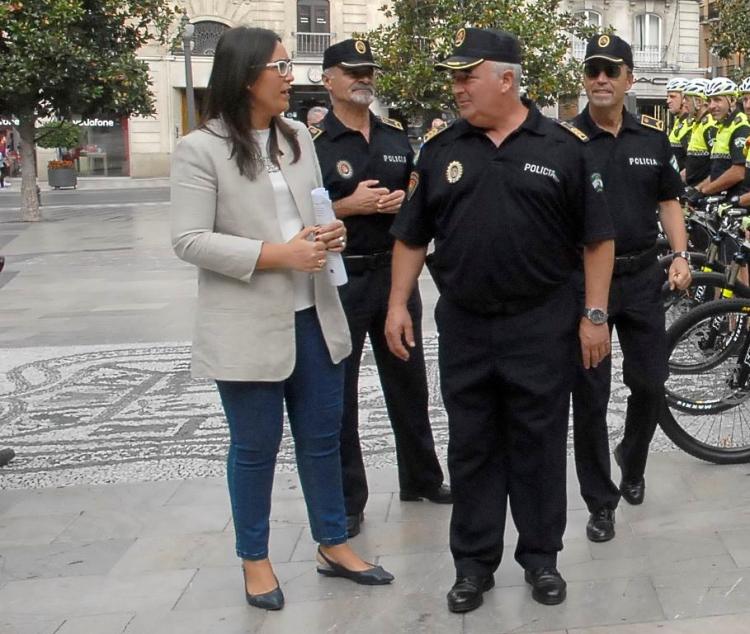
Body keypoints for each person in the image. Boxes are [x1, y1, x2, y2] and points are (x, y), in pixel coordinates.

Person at [385, 27, 615, 613]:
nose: (457, 88)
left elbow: (598, 240)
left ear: (507, 80)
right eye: (454, 77)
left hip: (542, 325)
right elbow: (412, 236)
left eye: (468, 76)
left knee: (539, 444)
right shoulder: (440, 151)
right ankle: (473, 565)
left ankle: (541, 560)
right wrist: (396, 303)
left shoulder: (563, 148)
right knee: (472, 446)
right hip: (465, 325)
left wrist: (594, 315)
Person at [170, 26, 394, 612]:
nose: (289, 77)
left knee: (322, 440)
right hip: (246, 324)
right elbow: (189, 240)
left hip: (315, 314)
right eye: (280, 67)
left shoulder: (296, 136)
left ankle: (333, 544)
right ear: (248, 76)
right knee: (255, 447)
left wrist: (332, 232)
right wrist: (277, 255)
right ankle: (255, 559)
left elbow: (314, 209)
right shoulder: (201, 148)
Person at [311, 39, 450, 539]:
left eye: (367, 70)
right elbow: (296, 210)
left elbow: (418, 199)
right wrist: (349, 206)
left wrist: (399, 205)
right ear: (328, 80)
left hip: (394, 277)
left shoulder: (394, 138)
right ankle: (350, 499)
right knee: (339, 391)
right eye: (352, 71)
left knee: (409, 381)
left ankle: (422, 478)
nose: (362, 78)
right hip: (340, 276)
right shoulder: (311, 144)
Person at [570, 34, 692, 545]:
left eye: (611, 70)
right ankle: (601, 502)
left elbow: (669, 202)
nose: (601, 79)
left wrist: (681, 254)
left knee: (649, 383)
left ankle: (633, 459)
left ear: (628, 79)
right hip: (586, 286)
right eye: (593, 70)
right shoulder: (564, 142)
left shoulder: (652, 140)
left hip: (642, 277)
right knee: (590, 397)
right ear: (585, 79)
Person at [693, 78, 749, 200]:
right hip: (723, 201)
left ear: (732, 100)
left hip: (737, 202)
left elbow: (739, 172)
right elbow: (718, 171)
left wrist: (705, 191)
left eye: (717, 100)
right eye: (709, 100)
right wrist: (697, 190)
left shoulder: (741, 127)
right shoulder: (722, 126)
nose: (711, 106)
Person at [683, 78, 717, 189]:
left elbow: (718, 167)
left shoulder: (709, 125)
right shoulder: (697, 124)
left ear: (698, 101)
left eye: (687, 99)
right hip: (692, 188)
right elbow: (692, 166)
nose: (684, 103)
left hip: (703, 191)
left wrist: (699, 190)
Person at [666, 77, 690, 172]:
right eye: (667, 97)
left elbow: (695, 163)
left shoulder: (690, 124)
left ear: (684, 98)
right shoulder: (679, 121)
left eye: (672, 96)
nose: (668, 101)